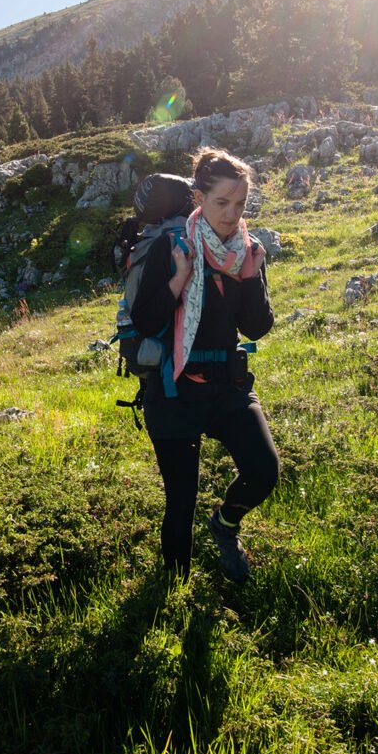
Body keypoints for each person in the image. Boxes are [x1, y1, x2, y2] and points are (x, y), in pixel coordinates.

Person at [129, 147, 276, 581]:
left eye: (240, 204)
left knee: (263, 471)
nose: (232, 214)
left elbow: (256, 327)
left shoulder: (247, 249)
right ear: (198, 199)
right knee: (181, 501)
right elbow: (147, 320)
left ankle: (225, 525)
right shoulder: (171, 247)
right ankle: (174, 591)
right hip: (173, 391)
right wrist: (178, 278)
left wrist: (251, 278)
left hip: (226, 387)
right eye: (221, 203)